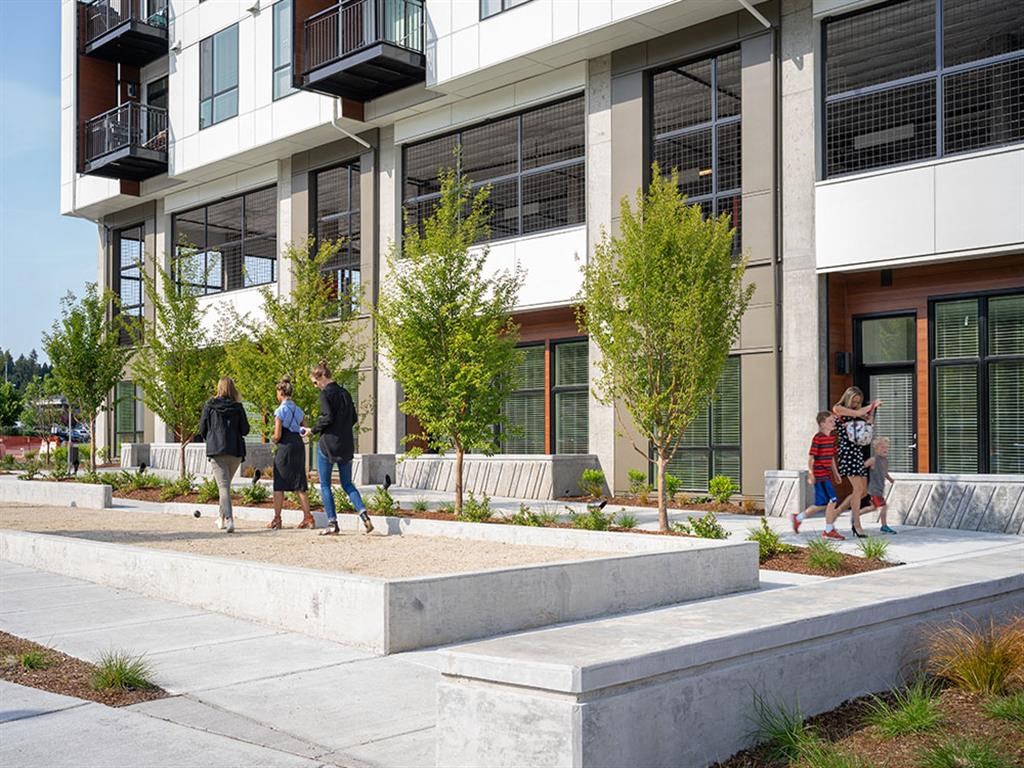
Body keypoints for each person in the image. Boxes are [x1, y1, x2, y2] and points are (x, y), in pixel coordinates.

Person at [302, 360, 373, 536]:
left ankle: (332, 523)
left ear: (322, 377)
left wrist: (312, 430)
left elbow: (327, 417)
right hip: (346, 444)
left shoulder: (326, 394)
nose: (316, 386)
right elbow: (354, 418)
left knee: (325, 484)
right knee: (347, 483)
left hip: (328, 445)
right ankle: (364, 515)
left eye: (315, 382)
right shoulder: (345, 393)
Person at [199, 377, 250, 534]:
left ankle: (229, 520)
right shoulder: (238, 407)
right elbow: (245, 430)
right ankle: (221, 518)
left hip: (217, 450)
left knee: (223, 486)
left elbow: (202, 428)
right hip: (235, 451)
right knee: (225, 486)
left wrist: (211, 438)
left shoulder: (209, 406)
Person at [832, 386, 880, 539]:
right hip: (847, 453)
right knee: (858, 489)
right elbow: (858, 413)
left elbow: (867, 423)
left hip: (858, 452)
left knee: (862, 491)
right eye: (854, 401)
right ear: (848, 398)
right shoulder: (839, 409)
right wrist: (872, 405)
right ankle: (856, 524)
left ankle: (836, 513)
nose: (856, 404)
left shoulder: (858, 413)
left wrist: (870, 416)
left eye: (858, 402)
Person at [268, 377, 315, 531]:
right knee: (299, 481)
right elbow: (306, 429)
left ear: (281, 392)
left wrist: (272, 439)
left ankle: (277, 519)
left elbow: (277, 435)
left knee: (279, 483)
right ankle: (308, 518)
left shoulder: (280, 411)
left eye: (277, 392)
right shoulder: (298, 410)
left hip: (285, 446)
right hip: (298, 445)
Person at [791, 411, 845, 540]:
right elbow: (812, 458)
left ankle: (798, 518)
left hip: (827, 474)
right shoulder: (818, 438)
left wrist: (836, 473)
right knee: (833, 500)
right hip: (820, 474)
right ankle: (828, 530)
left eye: (833, 421)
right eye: (830, 421)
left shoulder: (831, 438)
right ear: (822, 424)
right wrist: (811, 473)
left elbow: (831, 458)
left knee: (821, 504)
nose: (833, 423)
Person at [864, 436, 897, 534]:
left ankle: (856, 515)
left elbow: (884, 472)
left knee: (873, 507)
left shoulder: (885, 460)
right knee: (884, 506)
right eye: (882, 447)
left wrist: (890, 479)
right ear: (876, 449)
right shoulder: (873, 460)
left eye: (887, 447)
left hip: (880, 488)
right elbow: (863, 466)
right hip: (873, 489)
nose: (885, 449)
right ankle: (884, 526)